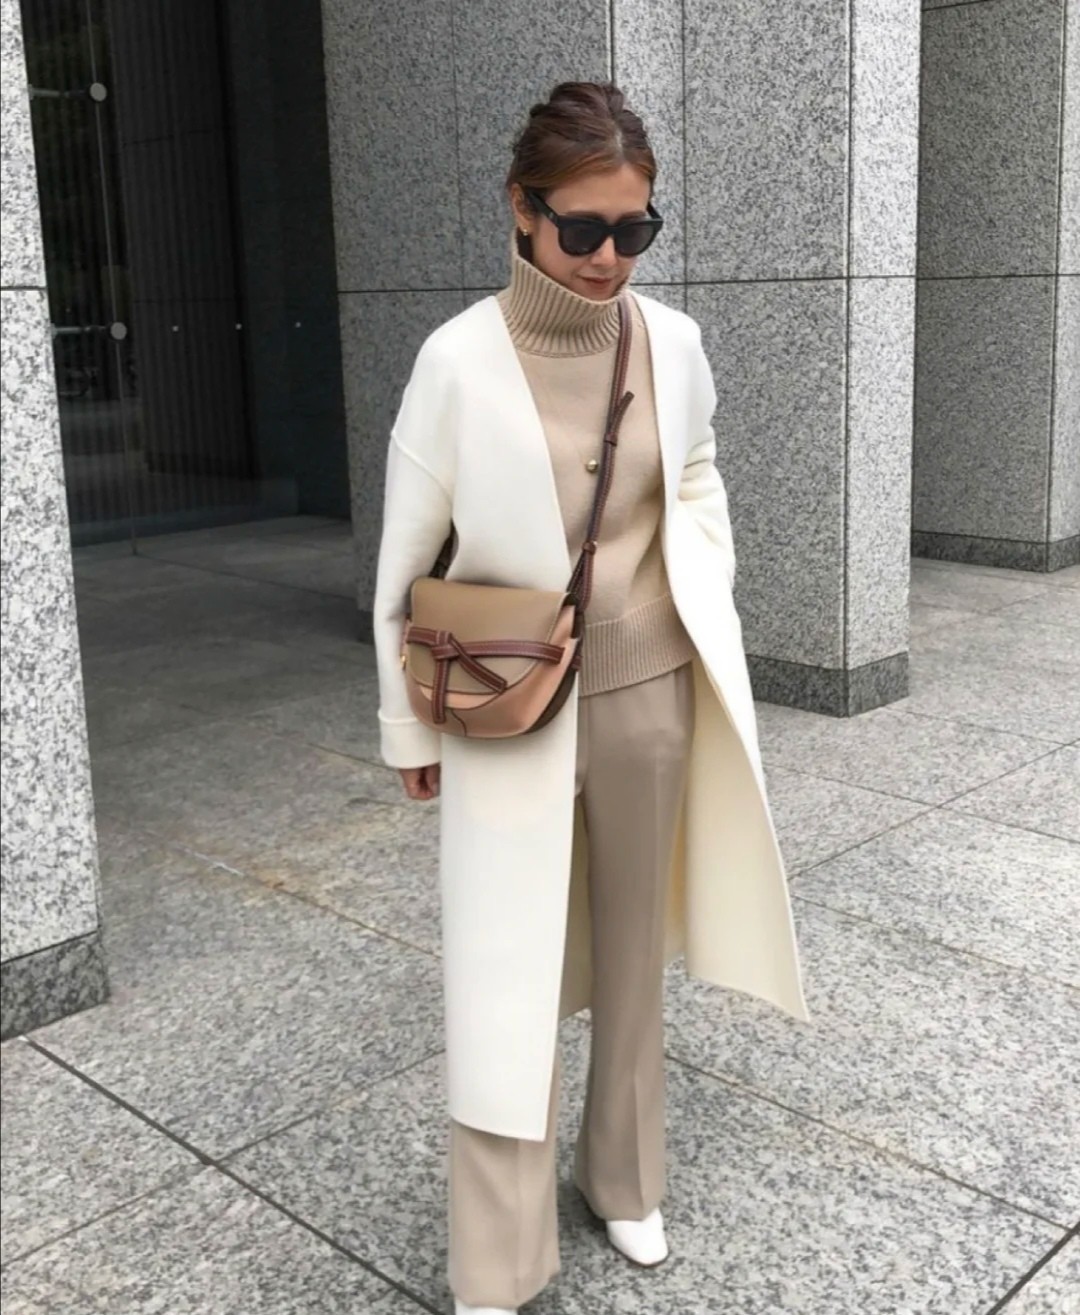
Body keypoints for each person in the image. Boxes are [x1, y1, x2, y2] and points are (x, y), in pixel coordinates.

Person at [373, 81, 811, 1315]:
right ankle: (499, 1256)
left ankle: (623, 1172)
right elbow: (405, 561)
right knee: (497, 974)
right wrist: (405, 726)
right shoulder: (456, 360)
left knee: (631, 950)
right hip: (506, 702)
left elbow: (698, 471)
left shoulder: (671, 341)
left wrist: (699, 580)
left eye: (636, 230)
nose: (609, 257)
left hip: (652, 689)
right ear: (520, 209)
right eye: (582, 228)